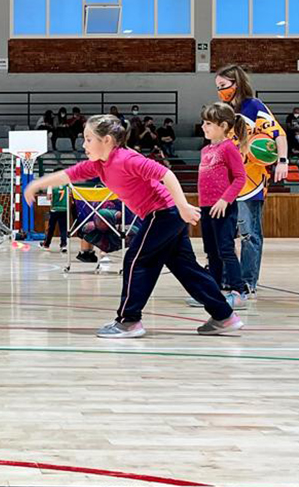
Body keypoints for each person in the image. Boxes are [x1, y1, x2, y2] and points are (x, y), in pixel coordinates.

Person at [25, 114, 238, 338]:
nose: (84, 144)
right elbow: (68, 175)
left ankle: (129, 321)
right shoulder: (99, 166)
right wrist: (36, 185)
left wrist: (183, 205)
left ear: (106, 140)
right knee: (186, 268)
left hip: (164, 213)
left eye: (88, 139)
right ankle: (224, 316)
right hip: (165, 215)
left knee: (136, 260)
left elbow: (166, 173)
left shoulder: (126, 159)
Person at [215, 64, 289, 298]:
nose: (220, 91)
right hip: (228, 183)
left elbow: (279, 134)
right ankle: (228, 281)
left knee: (249, 235)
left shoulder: (254, 106)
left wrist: (283, 161)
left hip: (252, 182)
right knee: (226, 236)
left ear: (236, 83)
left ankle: (247, 284)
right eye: (217, 87)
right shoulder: (224, 110)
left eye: (223, 86)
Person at [190, 102, 248, 311]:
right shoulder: (206, 149)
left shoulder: (228, 148)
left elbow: (240, 178)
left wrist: (225, 199)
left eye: (208, 123)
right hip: (207, 208)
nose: (203, 127)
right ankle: (213, 292)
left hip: (223, 208)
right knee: (211, 252)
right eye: (203, 122)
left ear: (223, 125)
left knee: (226, 250)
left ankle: (238, 291)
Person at [42, 184, 68, 252]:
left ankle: (46, 244)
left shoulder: (51, 186)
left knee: (51, 228)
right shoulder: (66, 186)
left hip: (54, 209)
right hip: (64, 209)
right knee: (63, 229)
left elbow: (49, 197)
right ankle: (63, 245)